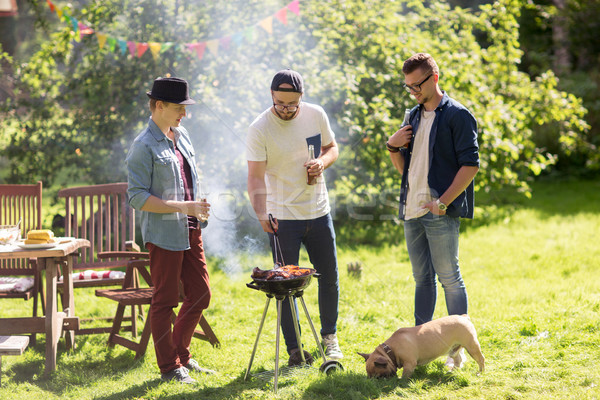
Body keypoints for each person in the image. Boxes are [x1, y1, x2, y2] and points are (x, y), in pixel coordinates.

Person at [386, 53, 479, 366]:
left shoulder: (458, 115)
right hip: (411, 210)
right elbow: (405, 169)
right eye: (408, 87)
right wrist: (391, 146)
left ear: (434, 78)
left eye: (417, 86)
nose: (413, 92)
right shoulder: (411, 115)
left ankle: (458, 352)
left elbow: (470, 165)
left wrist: (443, 202)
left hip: (438, 210)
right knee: (422, 280)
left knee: (449, 278)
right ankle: (420, 347)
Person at [246, 69, 343, 365]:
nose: (286, 110)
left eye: (292, 105)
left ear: (302, 97)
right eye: (280, 104)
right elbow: (254, 177)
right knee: (284, 286)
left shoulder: (315, 114)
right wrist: (261, 212)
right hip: (282, 218)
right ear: (271, 96)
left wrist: (322, 163)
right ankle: (295, 349)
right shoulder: (259, 128)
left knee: (329, 278)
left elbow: (331, 148)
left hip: (318, 211)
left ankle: (330, 339)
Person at [126, 77, 214, 384]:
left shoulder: (182, 135)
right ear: (159, 106)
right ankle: (170, 367)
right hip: (163, 235)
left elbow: (187, 179)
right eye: (179, 108)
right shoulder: (142, 146)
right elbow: (137, 197)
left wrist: (196, 205)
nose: (184, 114)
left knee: (201, 293)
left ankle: (181, 355)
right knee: (164, 301)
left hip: (191, 229)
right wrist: (184, 207)